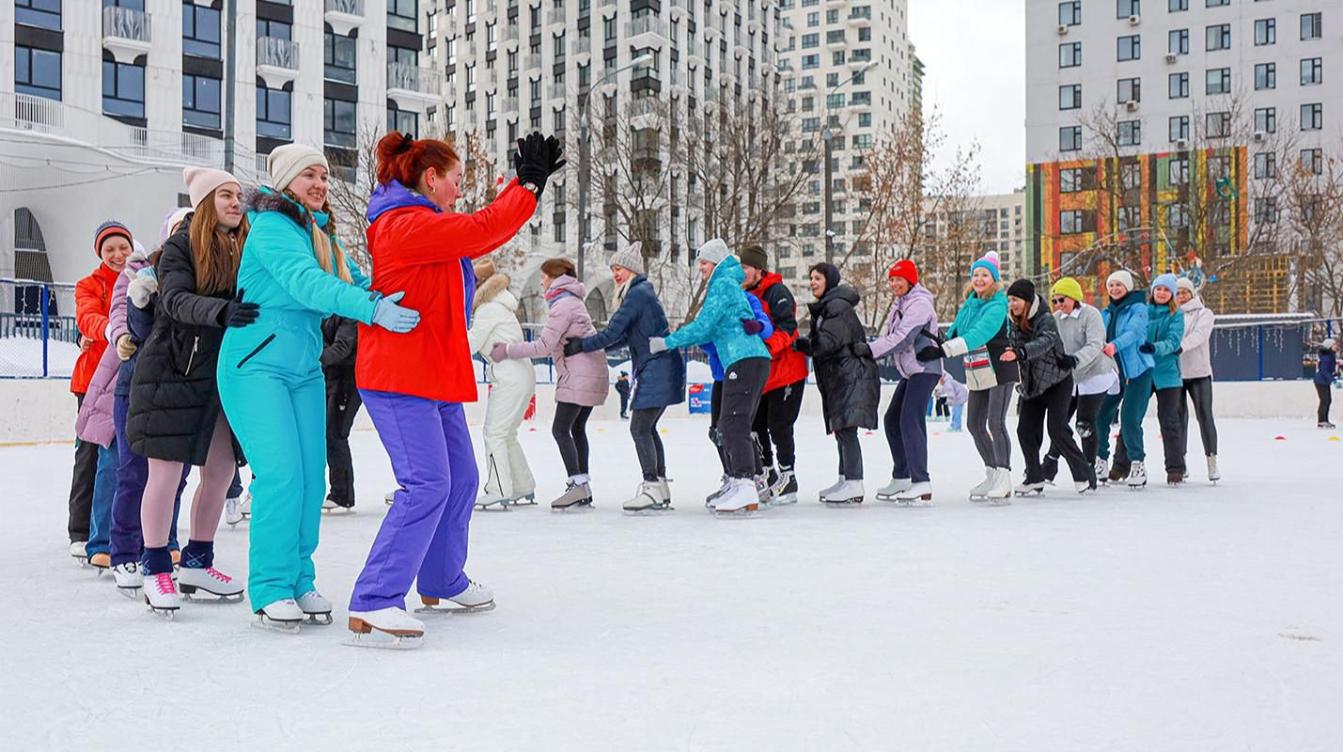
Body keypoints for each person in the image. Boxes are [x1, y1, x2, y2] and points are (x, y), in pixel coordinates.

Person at [348, 130, 554, 643]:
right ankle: (375, 598)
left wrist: (518, 187)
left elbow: (470, 236)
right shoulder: (401, 223)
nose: (460, 191)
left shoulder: (427, 222)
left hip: (434, 372)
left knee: (461, 478)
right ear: (431, 178)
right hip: (398, 375)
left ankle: (440, 577)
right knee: (427, 484)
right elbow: (481, 229)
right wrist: (525, 186)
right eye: (456, 181)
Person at [216, 143, 420, 631]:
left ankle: (299, 578)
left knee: (311, 476)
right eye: (309, 175)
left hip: (304, 367)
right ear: (285, 181)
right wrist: (371, 310)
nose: (320, 185)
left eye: (325, 177)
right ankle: (269, 586)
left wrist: (387, 293)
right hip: (255, 365)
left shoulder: (319, 232)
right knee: (283, 473)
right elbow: (306, 284)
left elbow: (350, 277)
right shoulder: (271, 229)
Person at [126, 167, 253, 616]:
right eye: (225, 195)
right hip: (173, 371)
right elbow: (174, 301)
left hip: (220, 376)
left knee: (219, 470)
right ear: (204, 204)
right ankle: (156, 565)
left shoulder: (246, 247)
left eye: (239, 195)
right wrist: (224, 311)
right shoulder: (182, 246)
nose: (236, 202)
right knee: (166, 474)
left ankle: (198, 561)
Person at [651, 239, 771, 515]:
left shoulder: (723, 285)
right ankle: (740, 484)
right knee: (729, 425)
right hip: (745, 360)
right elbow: (707, 332)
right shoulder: (724, 284)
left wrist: (667, 342)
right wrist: (674, 341)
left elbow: (703, 325)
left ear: (716, 262)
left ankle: (744, 484)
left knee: (733, 424)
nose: (700, 268)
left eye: (704, 262)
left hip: (745, 359)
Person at [564, 244, 685, 513]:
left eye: (619, 269)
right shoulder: (640, 292)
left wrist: (581, 345)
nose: (615, 274)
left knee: (640, 428)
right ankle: (660, 487)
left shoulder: (637, 295)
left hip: (658, 367)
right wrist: (593, 348)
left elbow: (613, 331)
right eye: (613, 269)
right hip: (660, 366)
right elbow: (619, 338)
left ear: (631, 270)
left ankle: (652, 486)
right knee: (648, 428)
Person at [493, 256, 609, 510]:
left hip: (579, 375)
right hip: (592, 372)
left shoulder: (563, 305)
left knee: (561, 429)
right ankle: (582, 487)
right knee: (577, 428)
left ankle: (577, 485)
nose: (542, 282)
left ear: (555, 278)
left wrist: (508, 349)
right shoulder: (572, 301)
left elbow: (543, 345)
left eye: (545, 277)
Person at [920, 252, 1018, 502]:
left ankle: (1005, 478)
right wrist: (937, 339)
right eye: (976, 274)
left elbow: (978, 334)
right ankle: (992, 472)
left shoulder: (997, 306)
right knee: (975, 424)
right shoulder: (970, 304)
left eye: (985, 275)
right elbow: (956, 330)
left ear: (994, 279)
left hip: (999, 368)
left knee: (995, 422)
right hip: (976, 370)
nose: (979, 279)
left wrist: (945, 349)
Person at [68, 222, 134, 569]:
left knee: (119, 458)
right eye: (110, 249)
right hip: (91, 381)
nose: (117, 255)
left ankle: (116, 527)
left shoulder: (139, 279)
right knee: (89, 456)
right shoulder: (88, 285)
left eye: (122, 247)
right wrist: (111, 330)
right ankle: (81, 531)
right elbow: (87, 316)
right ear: (100, 253)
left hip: (126, 382)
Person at [795, 262, 879, 504]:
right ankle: (845, 479)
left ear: (829, 281)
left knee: (846, 429)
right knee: (841, 428)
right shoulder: (828, 307)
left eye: (818, 278)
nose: (812, 282)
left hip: (849, 375)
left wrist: (802, 344)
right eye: (811, 278)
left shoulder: (837, 307)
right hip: (840, 376)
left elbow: (826, 342)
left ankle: (854, 482)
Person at [1001, 279, 1095, 496]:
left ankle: (1084, 475)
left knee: (1057, 429)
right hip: (1033, 385)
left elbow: (1045, 342)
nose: (1012, 304)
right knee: (1025, 430)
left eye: (1015, 300)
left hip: (1057, 382)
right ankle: (1034, 478)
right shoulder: (1013, 322)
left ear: (1027, 300)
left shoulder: (1045, 319)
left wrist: (1020, 352)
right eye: (1010, 300)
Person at [738, 244, 808, 504]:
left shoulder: (777, 291)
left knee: (779, 425)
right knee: (755, 425)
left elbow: (788, 329)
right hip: (764, 375)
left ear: (758, 269)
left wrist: (765, 349)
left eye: (745, 267)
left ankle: (788, 477)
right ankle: (767, 474)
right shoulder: (745, 293)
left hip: (787, 370)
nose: (742, 272)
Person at [867, 259, 940, 503]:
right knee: (892, 419)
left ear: (911, 280)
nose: (894, 283)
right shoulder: (900, 303)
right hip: (911, 370)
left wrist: (868, 351)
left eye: (899, 279)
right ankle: (902, 476)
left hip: (924, 368)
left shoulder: (919, 304)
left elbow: (903, 338)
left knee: (910, 419)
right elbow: (887, 336)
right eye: (892, 279)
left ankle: (921, 480)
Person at [467, 257, 537, 509]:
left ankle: (498, 488)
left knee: (494, 432)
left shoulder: (488, 309)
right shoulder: (501, 306)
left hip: (509, 377)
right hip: (520, 374)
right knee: (506, 434)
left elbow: (469, 345)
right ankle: (522, 484)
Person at [1042, 276, 1117, 484]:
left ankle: (1089, 468)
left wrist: (1075, 359)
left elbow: (1095, 344)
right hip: (1071, 376)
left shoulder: (1090, 315)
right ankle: (1049, 465)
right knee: (1060, 422)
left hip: (1095, 373)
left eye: (1062, 300)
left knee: (1084, 423)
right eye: (1055, 301)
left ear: (1074, 298)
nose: (1058, 305)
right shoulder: (1056, 319)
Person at [1113, 274, 1185, 485]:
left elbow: (1173, 341)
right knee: (1131, 417)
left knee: (1169, 421)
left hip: (1167, 374)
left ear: (1171, 294)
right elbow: (1133, 332)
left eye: (1165, 290)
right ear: (1152, 291)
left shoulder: (1176, 315)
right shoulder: (1142, 311)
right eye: (1158, 289)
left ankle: (1175, 468)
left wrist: (1154, 347)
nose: (1161, 293)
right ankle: (1120, 465)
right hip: (1142, 371)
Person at [1092, 270, 1155, 488]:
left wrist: (1113, 345)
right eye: (1111, 285)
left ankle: (1138, 463)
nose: (1115, 289)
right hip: (1113, 372)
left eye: (1119, 285)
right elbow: (1096, 334)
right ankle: (1100, 461)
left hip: (1138, 371)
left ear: (1127, 287)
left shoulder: (1139, 309)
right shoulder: (1106, 313)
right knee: (1100, 415)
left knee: (1129, 417)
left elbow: (1134, 333)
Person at [1175, 277, 1219, 482]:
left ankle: (1212, 460)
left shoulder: (1204, 313)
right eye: (1178, 293)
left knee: (1205, 416)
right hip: (1176, 373)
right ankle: (1180, 462)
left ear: (1192, 293)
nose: (1181, 296)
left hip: (1199, 373)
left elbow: (1200, 335)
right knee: (1178, 419)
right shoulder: (1171, 315)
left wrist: (1179, 346)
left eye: (1184, 292)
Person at [320, 315, 361, 510]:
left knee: (335, 433)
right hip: (329, 378)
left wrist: (311, 356)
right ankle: (338, 492)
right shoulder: (321, 309)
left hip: (348, 380)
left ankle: (342, 494)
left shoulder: (347, 313)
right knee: (329, 434)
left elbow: (342, 348)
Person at [1317, 338, 1338, 429]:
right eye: (1334, 345)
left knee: (1327, 400)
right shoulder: (1326, 357)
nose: (1336, 346)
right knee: (1325, 400)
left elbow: (1329, 369)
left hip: (1324, 381)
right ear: (1329, 346)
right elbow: (1324, 371)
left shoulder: (1330, 355)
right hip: (1320, 381)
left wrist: (1334, 374)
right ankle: (1322, 421)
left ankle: (1324, 420)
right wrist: (1333, 380)